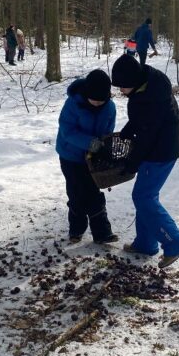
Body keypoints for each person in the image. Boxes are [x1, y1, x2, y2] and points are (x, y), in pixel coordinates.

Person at [110, 55, 179, 269]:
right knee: (144, 196)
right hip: (162, 146)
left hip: (160, 152)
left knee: (144, 197)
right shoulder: (148, 83)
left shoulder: (148, 98)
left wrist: (131, 164)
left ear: (133, 82)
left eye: (123, 87)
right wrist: (128, 130)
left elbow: (146, 136)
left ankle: (175, 242)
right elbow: (143, 122)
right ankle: (146, 243)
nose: (121, 91)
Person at [55, 70, 118, 245]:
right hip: (71, 156)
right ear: (87, 93)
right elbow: (68, 132)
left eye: (102, 100)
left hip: (93, 158)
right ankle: (76, 229)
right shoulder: (73, 104)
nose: (98, 103)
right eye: (94, 99)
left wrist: (104, 151)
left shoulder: (110, 107)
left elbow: (107, 132)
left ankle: (102, 232)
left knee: (93, 192)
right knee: (76, 193)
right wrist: (91, 144)